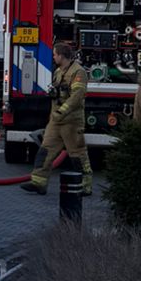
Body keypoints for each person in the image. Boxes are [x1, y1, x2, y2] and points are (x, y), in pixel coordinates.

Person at [26, 36, 92, 192]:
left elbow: (77, 96)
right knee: (45, 151)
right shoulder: (58, 71)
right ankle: (38, 183)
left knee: (77, 155)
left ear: (62, 56)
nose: (53, 57)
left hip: (71, 122)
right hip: (56, 121)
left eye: (55, 55)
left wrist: (62, 111)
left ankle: (85, 186)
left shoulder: (78, 72)